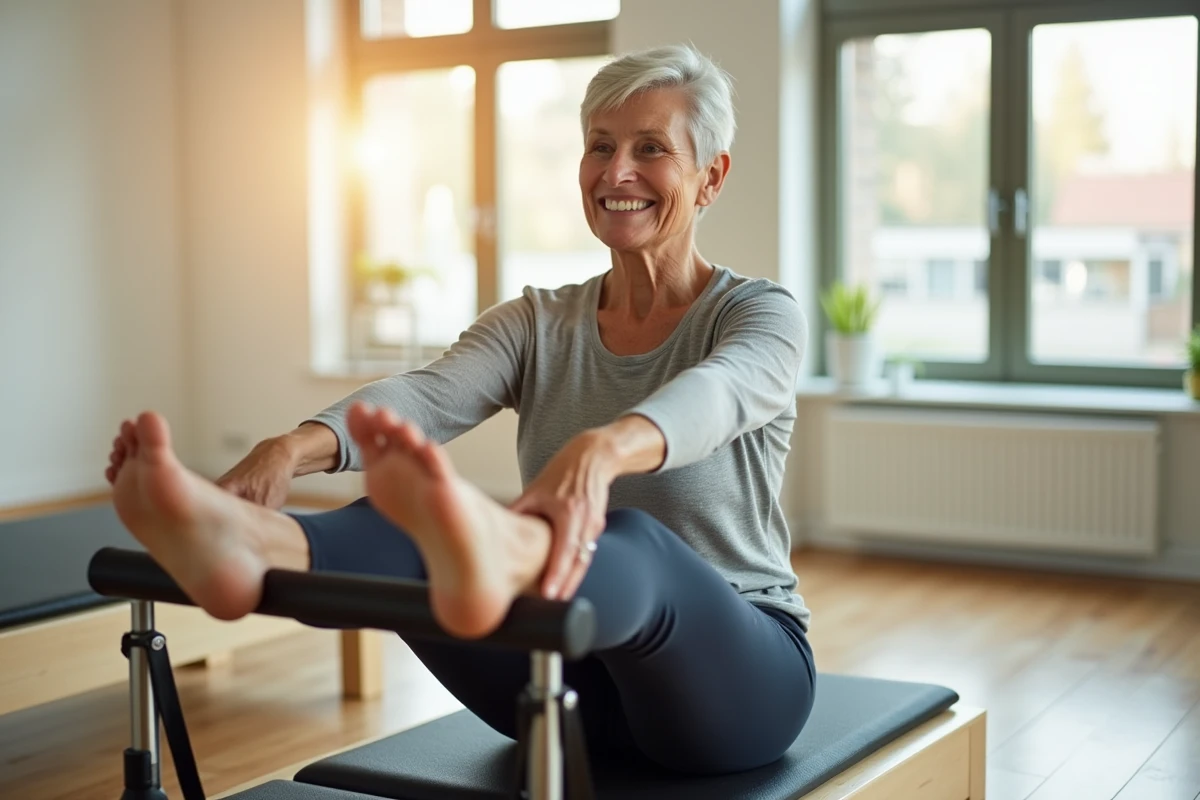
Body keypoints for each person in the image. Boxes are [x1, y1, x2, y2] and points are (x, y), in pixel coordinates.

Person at [105, 43, 814, 776]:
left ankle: (502, 550)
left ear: (711, 178)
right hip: (563, 679)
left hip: (734, 692)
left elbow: (718, 393)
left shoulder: (757, 316)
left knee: (630, 539)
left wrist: (602, 451)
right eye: (600, 146)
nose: (616, 172)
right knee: (396, 518)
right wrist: (289, 449)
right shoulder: (540, 321)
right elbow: (427, 395)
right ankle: (247, 542)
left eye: (651, 149)